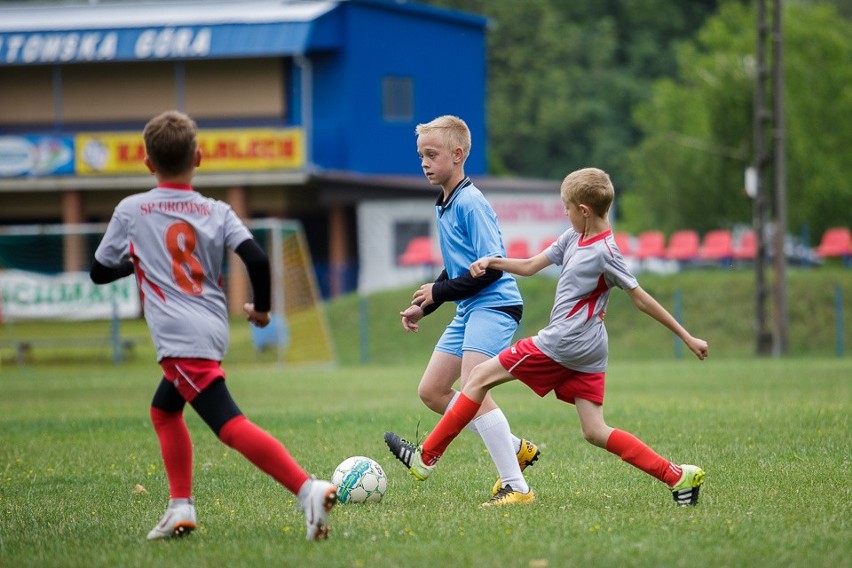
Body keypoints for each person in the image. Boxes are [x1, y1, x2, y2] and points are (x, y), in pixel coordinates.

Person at [385, 167, 709, 506]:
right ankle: (676, 476)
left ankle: (428, 456)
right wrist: (493, 261)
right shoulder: (573, 237)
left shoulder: (606, 252)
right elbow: (529, 266)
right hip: (591, 350)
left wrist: (686, 337)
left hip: (563, 343)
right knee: (595, 431)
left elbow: (641, 298)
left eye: (566, 209)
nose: (565, 215)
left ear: (583, 210)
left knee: (477, 378)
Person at [89, 110, 337, 541]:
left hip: (178, 338)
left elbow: (98, 270)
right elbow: (257, 258)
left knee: (228, 424)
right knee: (164, 411)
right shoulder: (216, 210)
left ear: (147, 163)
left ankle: (306, 489)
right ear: (199, 158)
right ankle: (180, 506)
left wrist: (138, 264)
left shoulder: (131, 209)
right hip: (210, 328)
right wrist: (261, 310)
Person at [384, 115, 539, 506]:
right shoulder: (445, 202)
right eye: (421, 155)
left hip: (495, 304)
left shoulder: (470, 202)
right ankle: (512, 445)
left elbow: (489, 268)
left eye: (431, 154)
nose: (424, 162)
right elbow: (458, 268)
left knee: (474, 384)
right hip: (469, 308)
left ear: (458, 154)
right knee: (433, 391)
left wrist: (439, 291)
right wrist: (428, 304)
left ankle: (516, 487)